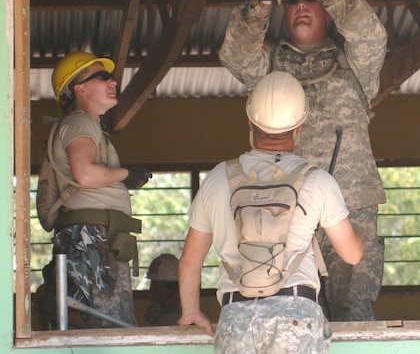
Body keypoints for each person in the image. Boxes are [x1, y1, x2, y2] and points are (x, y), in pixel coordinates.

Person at [219, 0, 386, 321]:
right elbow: (236, 56)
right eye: (291, 0)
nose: (301, 5)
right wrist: (260, 5)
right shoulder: (270, 67)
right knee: (288, 311)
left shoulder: (353, 63)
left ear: (325, 7)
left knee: (354, 313)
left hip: (351, 206)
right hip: (286, 212)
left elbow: (371, 37)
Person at [177, 71, 363, 353]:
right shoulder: (318, 182)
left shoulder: (217, 178)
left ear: (249, 121)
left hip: (236, 317)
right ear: (299, 127)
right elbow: (352, 255)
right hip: (296, 316)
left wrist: (191, 311)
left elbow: (190, 260)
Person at [41, 51, 152, 328]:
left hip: (96, 237)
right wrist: (126, 174)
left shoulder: (86, 125)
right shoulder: (80, 122)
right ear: (80, 89)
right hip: (93, 237)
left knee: (109, 323)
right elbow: (85, 173)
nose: (112, 80)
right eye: (102, 76)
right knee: (113, 328)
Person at [144, 253, 182, 326]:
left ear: (177, 291)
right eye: (152, 285)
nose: (152, 292)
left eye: (156, 286)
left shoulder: (169, 322)